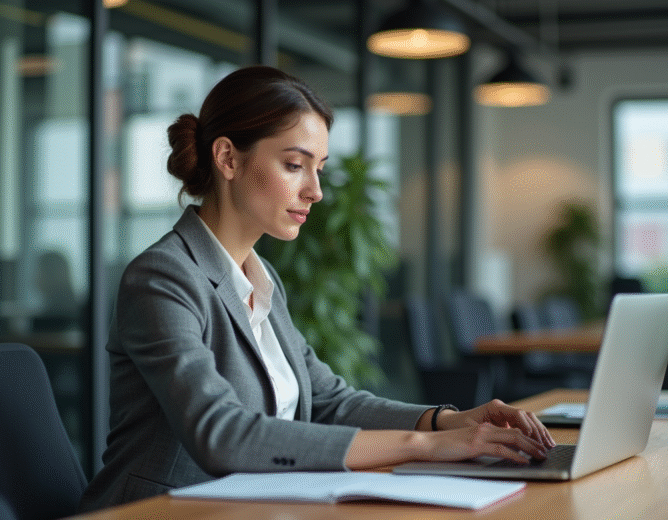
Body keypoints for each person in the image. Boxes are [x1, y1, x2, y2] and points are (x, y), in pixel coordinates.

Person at [79, 66, 555, 512]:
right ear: (227, 158)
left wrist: (448, 420)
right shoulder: (163, 278)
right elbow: (220, 434)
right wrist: (426, 446)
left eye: (319, 169)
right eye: (294, 165)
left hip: (250, 505)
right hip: (161, 511)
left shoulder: (262, 279)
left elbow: (329, 401)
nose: (315, 191)